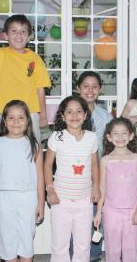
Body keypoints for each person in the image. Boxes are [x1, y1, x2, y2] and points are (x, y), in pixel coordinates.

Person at [44, 96, 100, 262]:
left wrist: (96, 186)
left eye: (78, 111)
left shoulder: (92, 137)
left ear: (85, 116)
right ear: (62, 116)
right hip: (61, 200)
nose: (74, 115)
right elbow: (47, 165)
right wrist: (50, 188)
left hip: (85, 200)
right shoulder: (57, 137)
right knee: (59, 244)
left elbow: (95, 164)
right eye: (69, 112)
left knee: (83, 244)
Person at [0, 14, 51, 141]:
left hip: (30, 112)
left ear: (29, 37)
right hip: (4, 112)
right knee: (4, 149)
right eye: (14, 31)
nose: (19, 35)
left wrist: (43, 116)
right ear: (6, 35)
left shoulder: (35, 58)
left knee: (32, 150)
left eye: (23, 31)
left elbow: (40, 89)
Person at [0, 100, 45, 262]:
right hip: (3, 197)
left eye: (21, 118)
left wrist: (41, 203)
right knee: (7, 238)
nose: (16, 122)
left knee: (26, 238)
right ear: (4, 120)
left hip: (28, 198)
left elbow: (40, 176)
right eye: (11, 118)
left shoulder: (34, 145)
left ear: (28, 121)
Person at [93, 117, 137, 261]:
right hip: (110, 212)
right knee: (112, 249)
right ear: (109, 137)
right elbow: (102, 188)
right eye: (115, 134)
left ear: (131, 136)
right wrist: (98, 212)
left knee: (131, 249)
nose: (120, 137)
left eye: (124, 133)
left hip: (132, 211)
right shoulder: (105, 160)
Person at [76, 71, 112, 260]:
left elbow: (109, 147)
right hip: (74, 175)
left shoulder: (105, 117)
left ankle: (94, 255)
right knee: (76, 217)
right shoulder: (71, 113)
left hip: (98, 175)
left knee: (95, 215)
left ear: (100, 90)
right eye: (86, 86)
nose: (90, 90)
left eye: (95, 86)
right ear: (78, 88)